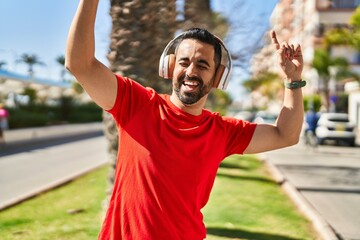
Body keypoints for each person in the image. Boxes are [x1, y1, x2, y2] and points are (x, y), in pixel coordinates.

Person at [66, 1, 304, 239]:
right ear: (169, 66)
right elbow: (80, 64)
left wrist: (292, 81)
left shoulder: (222, 132)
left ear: (218, 77)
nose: (191, 72)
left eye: (202, 65)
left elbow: (286, 135)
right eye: (184, 62)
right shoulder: (137, 104)